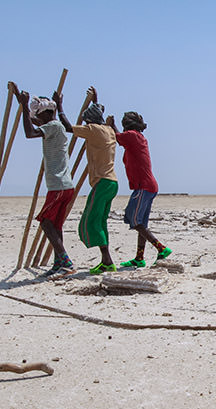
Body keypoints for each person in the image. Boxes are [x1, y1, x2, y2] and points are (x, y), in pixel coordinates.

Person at [9, 81, 76, 276]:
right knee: (55, 225)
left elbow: (29, 133)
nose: (37, 120)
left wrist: (23, 106)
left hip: (58, 185)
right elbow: (36, 124)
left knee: (45, 222)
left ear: (46, 114)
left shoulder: (53, 125)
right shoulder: (57, 126)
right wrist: (22, 103)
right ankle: (59, 263)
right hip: (65, 185)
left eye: (38, 116)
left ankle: (66, 261)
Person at [105, 111, 172, 268]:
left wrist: (108, 124)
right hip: (148, 186)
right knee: (142, 224)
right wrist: (112, 125)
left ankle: (161, 248)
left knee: (134, 220)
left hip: (143, 186)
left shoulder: (132, 136)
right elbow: (119, 136)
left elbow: (116, 137)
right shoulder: (137, 137)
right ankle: (139, 258)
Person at [69, 87, 119, 274]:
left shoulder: (92, 130)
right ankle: (106, 261)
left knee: (90, 221)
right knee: (101, 221)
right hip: (112, 182)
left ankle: (107, 260)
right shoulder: (108, 130)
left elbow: (68, 127)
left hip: (102, 182)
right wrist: (95, 100)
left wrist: (59, 108)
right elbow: (98, 113)